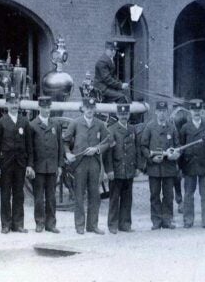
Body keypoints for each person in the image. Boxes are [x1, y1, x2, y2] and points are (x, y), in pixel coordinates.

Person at [63, 96, 110, 235]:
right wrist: (67, 153)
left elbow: (108, 142)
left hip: (94, 164)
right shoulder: (75, 123)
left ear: (95, 108)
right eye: (87, 108)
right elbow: (65, 141)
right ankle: (79, 225)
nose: (89, 110)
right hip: (79, 165)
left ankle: (92, 225)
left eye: (92, 108)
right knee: (79, 195)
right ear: (83, 108)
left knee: (95, 195)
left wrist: (97, 149)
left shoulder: (100, 124)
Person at [0, 92, 32, 233]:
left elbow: (29, 146)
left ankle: (18, 224)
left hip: (20, 163)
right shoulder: (0, 122)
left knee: (19, 194)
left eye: (16, 103)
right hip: (5, 164)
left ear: (19, 104)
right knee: (5, 193)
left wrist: (29, 164)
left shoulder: (24, 121)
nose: (14, 105)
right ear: (6, 104)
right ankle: (6, 224)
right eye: (11, 103)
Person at [140, 101, 180, 230]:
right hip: (154, 168)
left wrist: (175, 154)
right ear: (156, 112)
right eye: (160, 111)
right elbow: (143, 147)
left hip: (169, 168)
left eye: (164, 111)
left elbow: (178, 146)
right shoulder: (150, 127)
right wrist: (151, 157)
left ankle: (167, 219)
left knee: (169, 195)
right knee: (154, 195)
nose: (162, 114)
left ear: (167, 112)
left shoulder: (172, 127)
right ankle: (156, 220)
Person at [179, 99, 205, 230]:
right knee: (189, 195)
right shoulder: (185, 128)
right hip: (189, 166)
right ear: (190, 111)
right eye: (194, 111)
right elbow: (181, 148)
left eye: (199, 110)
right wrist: (181, 167)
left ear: (202, 111)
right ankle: (188, 220)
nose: (196, 113)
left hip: (204, 166)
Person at [28, 96, 62, 233]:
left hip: (52, 167)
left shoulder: (56, 125)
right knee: (38, 197)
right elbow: (29, 149)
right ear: (39, 108)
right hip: (39, 168)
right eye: (44, 107)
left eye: (48, 107)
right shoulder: (32, 125)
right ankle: (40, 222)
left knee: (51, 197)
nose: (46, 110)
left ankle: (51, 224)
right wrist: (30, 166)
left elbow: (59, 147)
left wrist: (60, 166)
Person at [104, 104, 139, 234]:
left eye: (126, 114)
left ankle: (125, 224)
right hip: (117, 170)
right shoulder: (111, 130)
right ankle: (112, 225)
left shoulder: (132, 129)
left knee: (127, 198)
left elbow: (137, 148)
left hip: (129, 169)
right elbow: (107, 154)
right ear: (118, 115)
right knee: (114, 198)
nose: (124, 116)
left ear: (128, 115)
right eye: (121, 114)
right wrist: (109, 170)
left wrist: (137, 167)